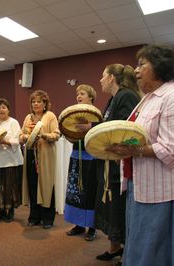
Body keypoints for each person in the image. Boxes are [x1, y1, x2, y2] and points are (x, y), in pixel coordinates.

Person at [109, 44, 174, 266]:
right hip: (141, 185)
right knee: (141, 248)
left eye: (141, 64)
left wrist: (133, 150)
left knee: (158, 252)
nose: (136, 71)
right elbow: (137, 136)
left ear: (160, 66)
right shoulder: (147, 99)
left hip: (165, 191)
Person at [95, 64, 141, 262]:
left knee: (120, 209)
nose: (100, 80)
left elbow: (129, 130)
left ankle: (126, 253)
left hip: (121, 165)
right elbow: (108, 126)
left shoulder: (126, 96)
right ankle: (115, 246)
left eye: (103, 76)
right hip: (111, 164)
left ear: (112, 78)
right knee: (113, 208)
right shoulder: (114, 98)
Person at [20, 90, 60, 229]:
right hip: (31, 153)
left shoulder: (50, 116)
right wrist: (26, 137)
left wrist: (43, 135)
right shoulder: (28, 118)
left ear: (45, 103)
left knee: (46, 186)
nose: (36, 104)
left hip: (45, 155)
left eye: (39, 101)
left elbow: (56, 134)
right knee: (32, 185)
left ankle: (47, 218)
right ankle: (34, 216)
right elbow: (21, 135)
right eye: (33, 101)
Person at [62, 84, 98, 241]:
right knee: (75, 191)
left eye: (82, 93)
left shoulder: (96, 115)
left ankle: (92, 227)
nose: (79, 96)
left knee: (90, 191)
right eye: (77, 93)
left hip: (91, 157)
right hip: (76, 155)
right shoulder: (73, 114)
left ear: (90, 97)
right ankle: (78, 224)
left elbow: (99, 133)